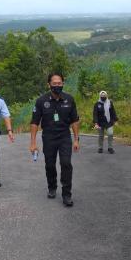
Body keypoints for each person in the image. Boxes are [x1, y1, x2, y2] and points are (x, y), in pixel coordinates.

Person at [30, 73, 80, 206]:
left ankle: (66, 194)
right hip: (49, 137)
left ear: (63, 84)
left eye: (59, 83)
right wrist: (33, 143)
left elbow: (75, 121)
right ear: (49, 84)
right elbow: (34, 122)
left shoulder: (69, 99)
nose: (57, 86)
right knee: (50, 165)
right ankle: (52, 187)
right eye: (54, 83)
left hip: (64, 136)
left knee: (66, 164)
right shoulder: (41, 101)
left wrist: (76, 139)